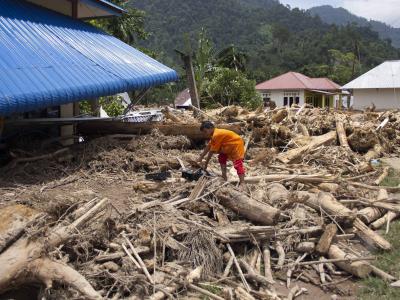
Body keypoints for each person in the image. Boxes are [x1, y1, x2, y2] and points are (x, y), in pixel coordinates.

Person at [197, 121, 246, 187]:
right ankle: (224, 176)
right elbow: (209, 146)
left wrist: (206, 164)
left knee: (238, 163)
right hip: (228, 145)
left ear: (211, 128)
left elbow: (211, 151)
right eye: (204, 132)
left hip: (236, 144)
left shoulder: (216, 135)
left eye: (205, 131)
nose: (205, 134)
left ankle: (242, 183)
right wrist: (200, 158)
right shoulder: (213, 135)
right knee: (222, 157)